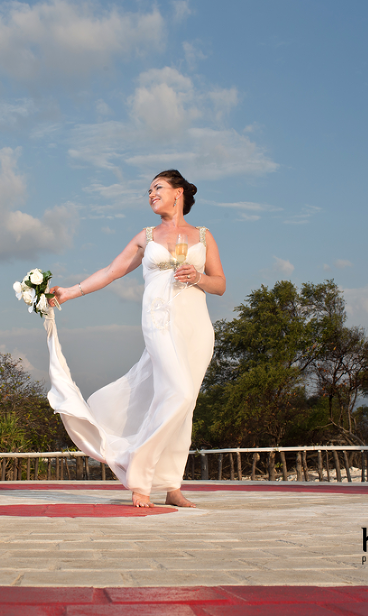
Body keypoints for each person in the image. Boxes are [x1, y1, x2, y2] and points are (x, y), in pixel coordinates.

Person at [45, 170, 225, 508]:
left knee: (184, 404)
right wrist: (69, 292)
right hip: (159, 322)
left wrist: (198, 276)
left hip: (196, 328)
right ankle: (140, 478)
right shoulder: (147, 236)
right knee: (179, 392)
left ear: (179, 192)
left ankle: (172, 484)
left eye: (158, 188)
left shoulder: (203, 235)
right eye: (149, 191)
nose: (151, 194)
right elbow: (111, 271)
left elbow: (220, 284)